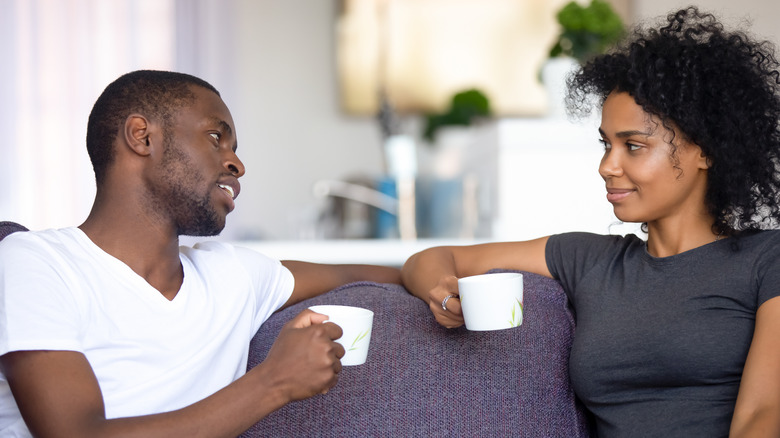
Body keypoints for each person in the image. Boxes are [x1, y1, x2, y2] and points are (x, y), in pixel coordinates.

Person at [401, 7, 780, 437]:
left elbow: (761, 418)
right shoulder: (587, 259)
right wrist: (443, 294)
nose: (606, 166)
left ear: (706, 151)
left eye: (633, 146)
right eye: (606, 144)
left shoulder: (766, 260)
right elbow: (430, 257)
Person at [0, 70, 401, 437]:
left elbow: (376, 275)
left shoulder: (232, 275)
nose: (237, 164)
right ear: (142, 136)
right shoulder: (35, 263)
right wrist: (273, 382)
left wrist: (425, 268)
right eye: (216, 137)